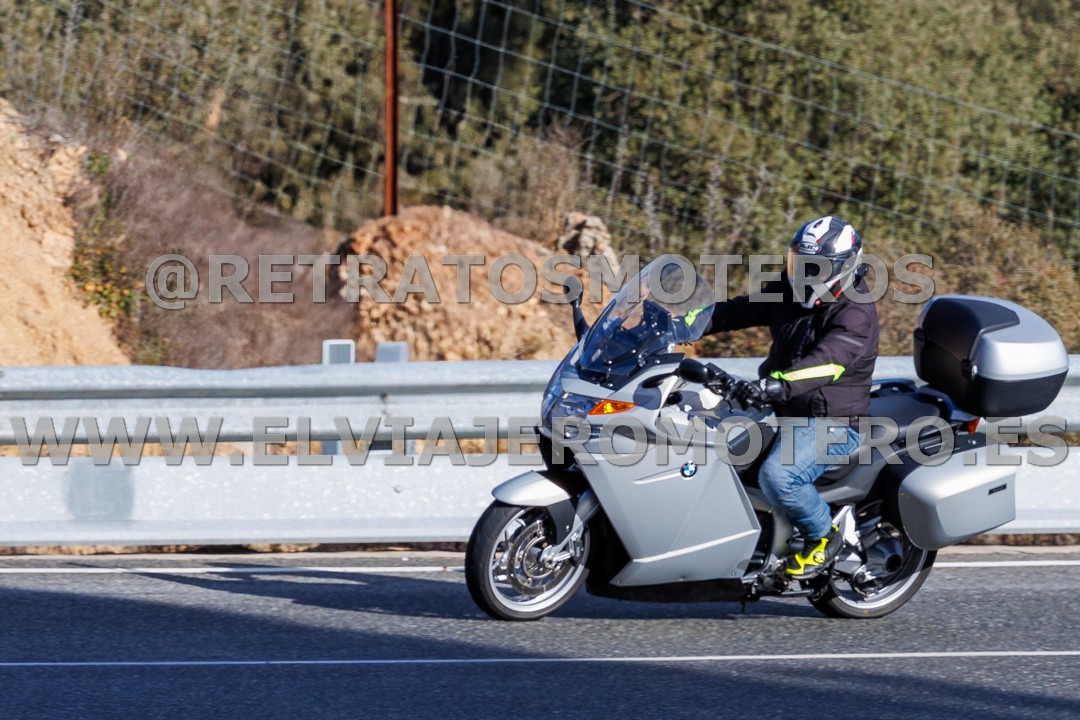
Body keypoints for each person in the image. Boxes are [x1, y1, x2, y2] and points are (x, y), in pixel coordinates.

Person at [706, 215, 879, 579]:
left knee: (779, 476)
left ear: (845, 267)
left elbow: (825, 364)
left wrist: (771, 386)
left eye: (815, 268)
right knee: (702, 440)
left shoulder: (855, 312)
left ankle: (824, 538)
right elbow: (740, 309)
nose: (803, 273)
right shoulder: (789, 288)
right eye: (798, 263)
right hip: (781, 405)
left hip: (831, 421)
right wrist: (685, 322)